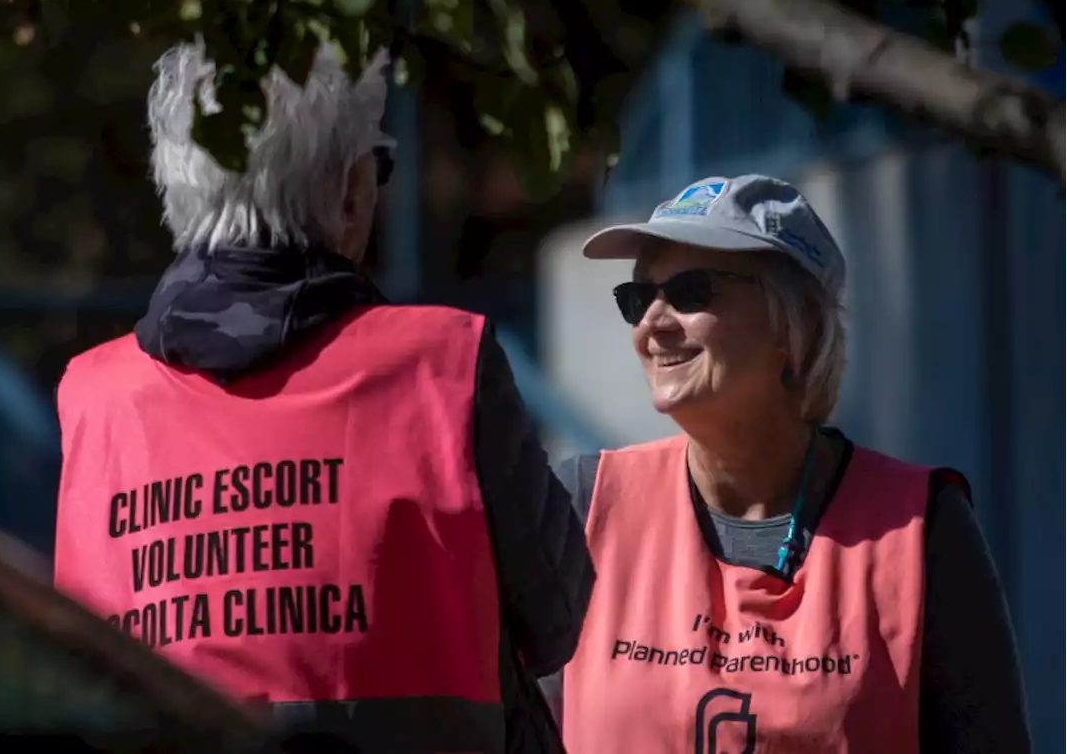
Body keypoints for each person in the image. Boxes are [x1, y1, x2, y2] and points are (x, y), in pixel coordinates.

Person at [52, 39, 592, 754]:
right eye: (380, 167)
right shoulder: (442, 364)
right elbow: (557, 614)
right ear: (348, 192)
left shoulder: (93, 398)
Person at [555, 175, 1030, 753]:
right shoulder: (586, 506)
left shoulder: (921, 529)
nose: (650, 325)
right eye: (637, 298)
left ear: (792, 326)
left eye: (690, 293)